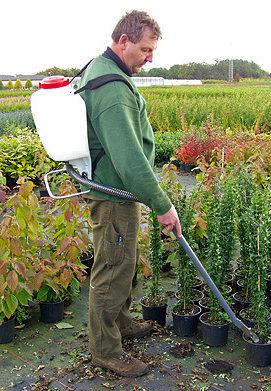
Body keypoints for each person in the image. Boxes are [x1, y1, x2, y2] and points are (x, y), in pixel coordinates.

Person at [79, 10, 182, 377]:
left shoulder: (104, 70)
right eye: (145, 49)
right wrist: (162, 204)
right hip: (113, 195)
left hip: (115, 191)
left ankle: (120, 323)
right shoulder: (112, 90)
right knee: (112, 269)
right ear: (123, 42)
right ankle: (106, 350)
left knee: (123, 261)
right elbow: (129, 158)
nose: (150, 57)